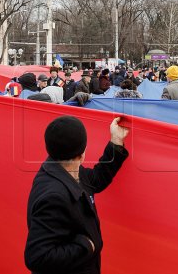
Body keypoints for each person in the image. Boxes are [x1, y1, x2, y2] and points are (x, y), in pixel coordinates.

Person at [25, 116, 129, 274]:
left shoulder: (66, 170)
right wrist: (86, 246)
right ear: (81, 155)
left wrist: (116, 142)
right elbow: (37, 258)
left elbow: (96, 179)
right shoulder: (53, 197)